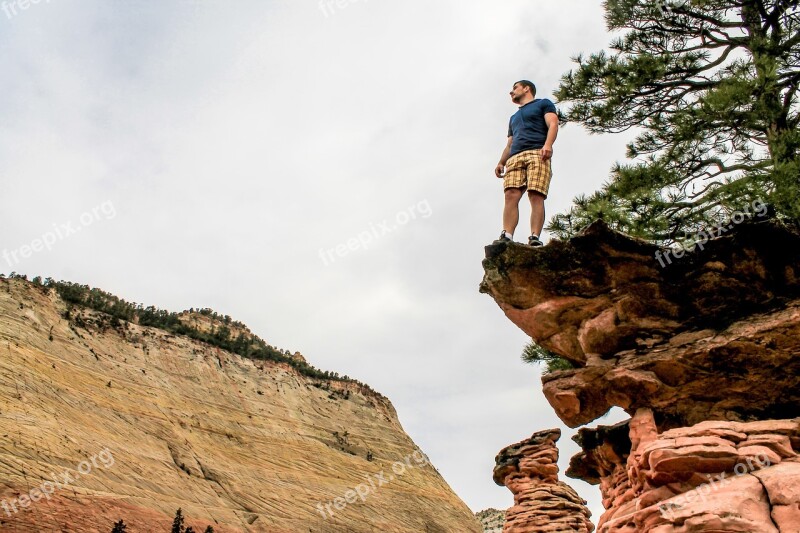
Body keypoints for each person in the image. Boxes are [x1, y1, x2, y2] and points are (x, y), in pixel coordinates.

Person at [494, 80, 559, 246]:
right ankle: (507, 235)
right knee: (510, 194)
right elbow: (510, 142)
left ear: (526, 88)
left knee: (535, 194)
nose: (511, 91)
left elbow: (553, 123)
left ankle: (535, 236)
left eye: (515, 87)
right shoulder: (513, 118)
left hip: (537, 152)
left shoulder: (543, 103)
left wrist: (548, 145)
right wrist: (501, 161)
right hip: (515, 156)